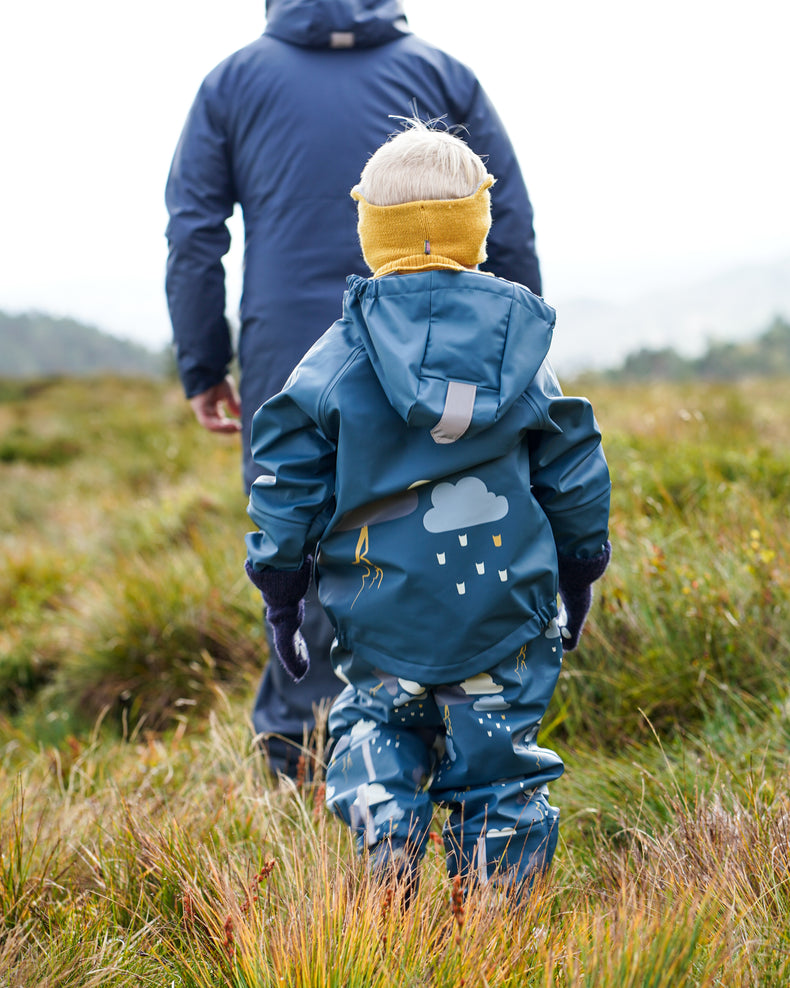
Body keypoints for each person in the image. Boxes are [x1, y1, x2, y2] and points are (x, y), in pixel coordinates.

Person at [165, 0, 543, 778]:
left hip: (288, 353)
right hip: (447, 350)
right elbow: (507, 221)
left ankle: (305, 763)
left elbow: (195, 231)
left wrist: (205, 364)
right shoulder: (439, 73)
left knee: (297, 544)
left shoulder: (233, 82)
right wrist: (515, 356)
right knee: (447, 539)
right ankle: (454, 748)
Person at [244, 122, 611, 900]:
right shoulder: (522, 355)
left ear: (372, 234)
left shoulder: (335, 360)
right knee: (499, 771)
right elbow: (575, 469)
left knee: (375, 732)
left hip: (381, 622)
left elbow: (284, 477)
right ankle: (494, 927)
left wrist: (281, 587)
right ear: (477, 232)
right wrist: (580, 570)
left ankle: (388, 849)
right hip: (504, 618)